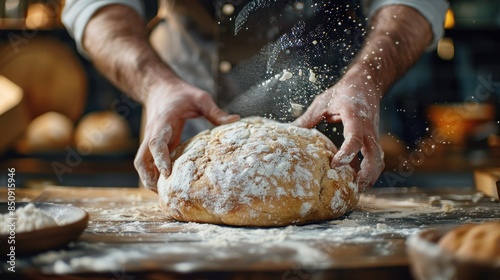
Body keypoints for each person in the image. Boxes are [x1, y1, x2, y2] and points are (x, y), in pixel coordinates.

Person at [62, 0, 449, 192]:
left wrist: (365, 80)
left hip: (344, 133)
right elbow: (96, 8)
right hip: (187, 132)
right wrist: (155, 84)